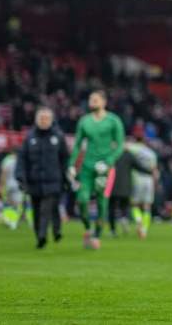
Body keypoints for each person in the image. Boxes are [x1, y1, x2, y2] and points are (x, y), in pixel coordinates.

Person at [67, 89, 125, 250]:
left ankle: (97, 235)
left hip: (105, 169)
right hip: (87, 167)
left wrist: (109, 162)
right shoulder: (84, 121)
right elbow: (77, 145)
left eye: (95, 99)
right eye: (90, 99)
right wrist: (71, 165)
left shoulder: (113, 121)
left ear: (104, 102)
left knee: (102, 203)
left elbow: (120, 145)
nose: (92, 102)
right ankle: (88, 228)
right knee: (82, 199)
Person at [17, 106, 70, 248]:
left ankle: (42, 235)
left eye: (46, 118)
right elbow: (22, 158)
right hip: (34, 181)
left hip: (53, 181)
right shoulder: (30, 137)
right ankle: (40, 235)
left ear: (52, 120)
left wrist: (66, 178)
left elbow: (65, 159)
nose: (44, 121)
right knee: (36, 210)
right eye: (41, 118)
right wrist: (21, 176)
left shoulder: (58, 136)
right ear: (36, 119)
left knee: (45, 209)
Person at [108, 139, 153, 237]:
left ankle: (113, 230)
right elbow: (138, 166)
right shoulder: (128, 155)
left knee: (111, 208)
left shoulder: (110, 154)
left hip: (111, 185)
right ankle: (124, 219)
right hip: (125, 186)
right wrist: (150, 172)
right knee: (125, 206)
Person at [127, 131, 158, 239]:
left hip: (137, 179)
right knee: (147, 206)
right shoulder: (151, 153)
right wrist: (155, 183)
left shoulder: (133, 148)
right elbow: (154, 170)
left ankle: (138, 220)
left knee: (134, 204)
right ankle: (144, 229)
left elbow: (124, 148)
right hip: (148, 181)